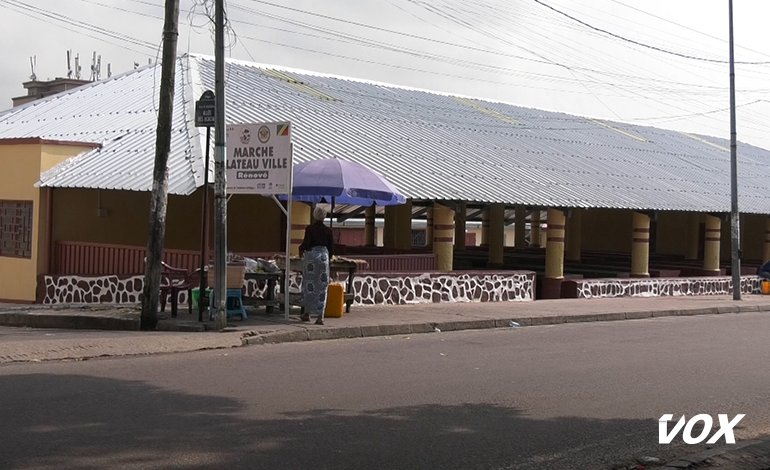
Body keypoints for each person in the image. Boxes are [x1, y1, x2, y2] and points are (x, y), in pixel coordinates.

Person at [298, 205, 334, 325]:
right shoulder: (328, 231)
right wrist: (329, 258)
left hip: (311, 259)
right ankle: (320, 317)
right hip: (323, 258)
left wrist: (300, 249)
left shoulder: (310, 229)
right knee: (322, 287)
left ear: (314, 215)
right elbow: (331, 249)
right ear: (324, 217)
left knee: (309, 285)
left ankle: (307, 313)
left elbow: (306, 243)